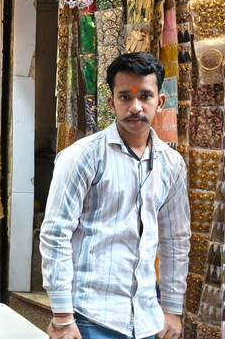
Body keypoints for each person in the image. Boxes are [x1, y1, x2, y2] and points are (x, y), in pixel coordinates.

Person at [40, 52, 190, 339]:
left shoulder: (172, 164)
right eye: (125, 97)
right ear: (111, 103)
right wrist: (61, 316)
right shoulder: (83, 157)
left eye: (145, 96)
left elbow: (175, 239)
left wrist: (171, 308)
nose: (135, 107)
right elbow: (56, 234)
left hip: (147, 318)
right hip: (90, 317)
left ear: (160, 101)